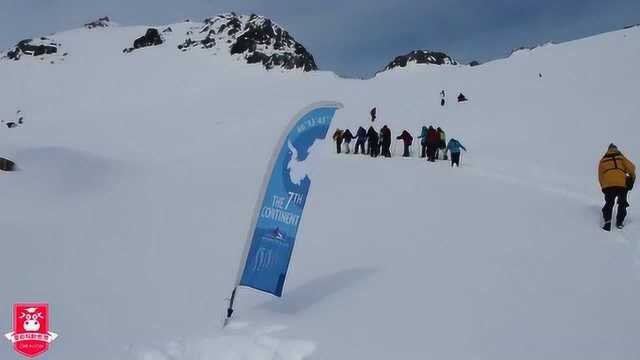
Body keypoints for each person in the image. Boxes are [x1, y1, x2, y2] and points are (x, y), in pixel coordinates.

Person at [598, 144, 635, 231]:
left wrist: (603, 187)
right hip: (621, 184)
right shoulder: (620, 157)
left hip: (608, 185)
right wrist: (631, 178)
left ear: (608, 150)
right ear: (616, 149)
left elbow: (600, 176)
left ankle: (607, 222)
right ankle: (619, 222)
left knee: (609, 203)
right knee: (622, 203)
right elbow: (632, 168)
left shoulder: (603, 160)